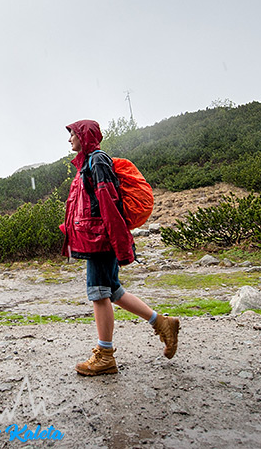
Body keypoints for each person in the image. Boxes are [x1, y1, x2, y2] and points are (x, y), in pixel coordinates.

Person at [60, 119, 180, 376]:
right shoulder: (89, 162)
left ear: (84, 135)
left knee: (99, 293)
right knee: (112, 290)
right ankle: (163, 324)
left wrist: (119, 241)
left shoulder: (97, 160)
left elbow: (108, 203)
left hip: (101, 239)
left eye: (72, 135)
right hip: (99, 237)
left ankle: (105, 356)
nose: (69, 139)